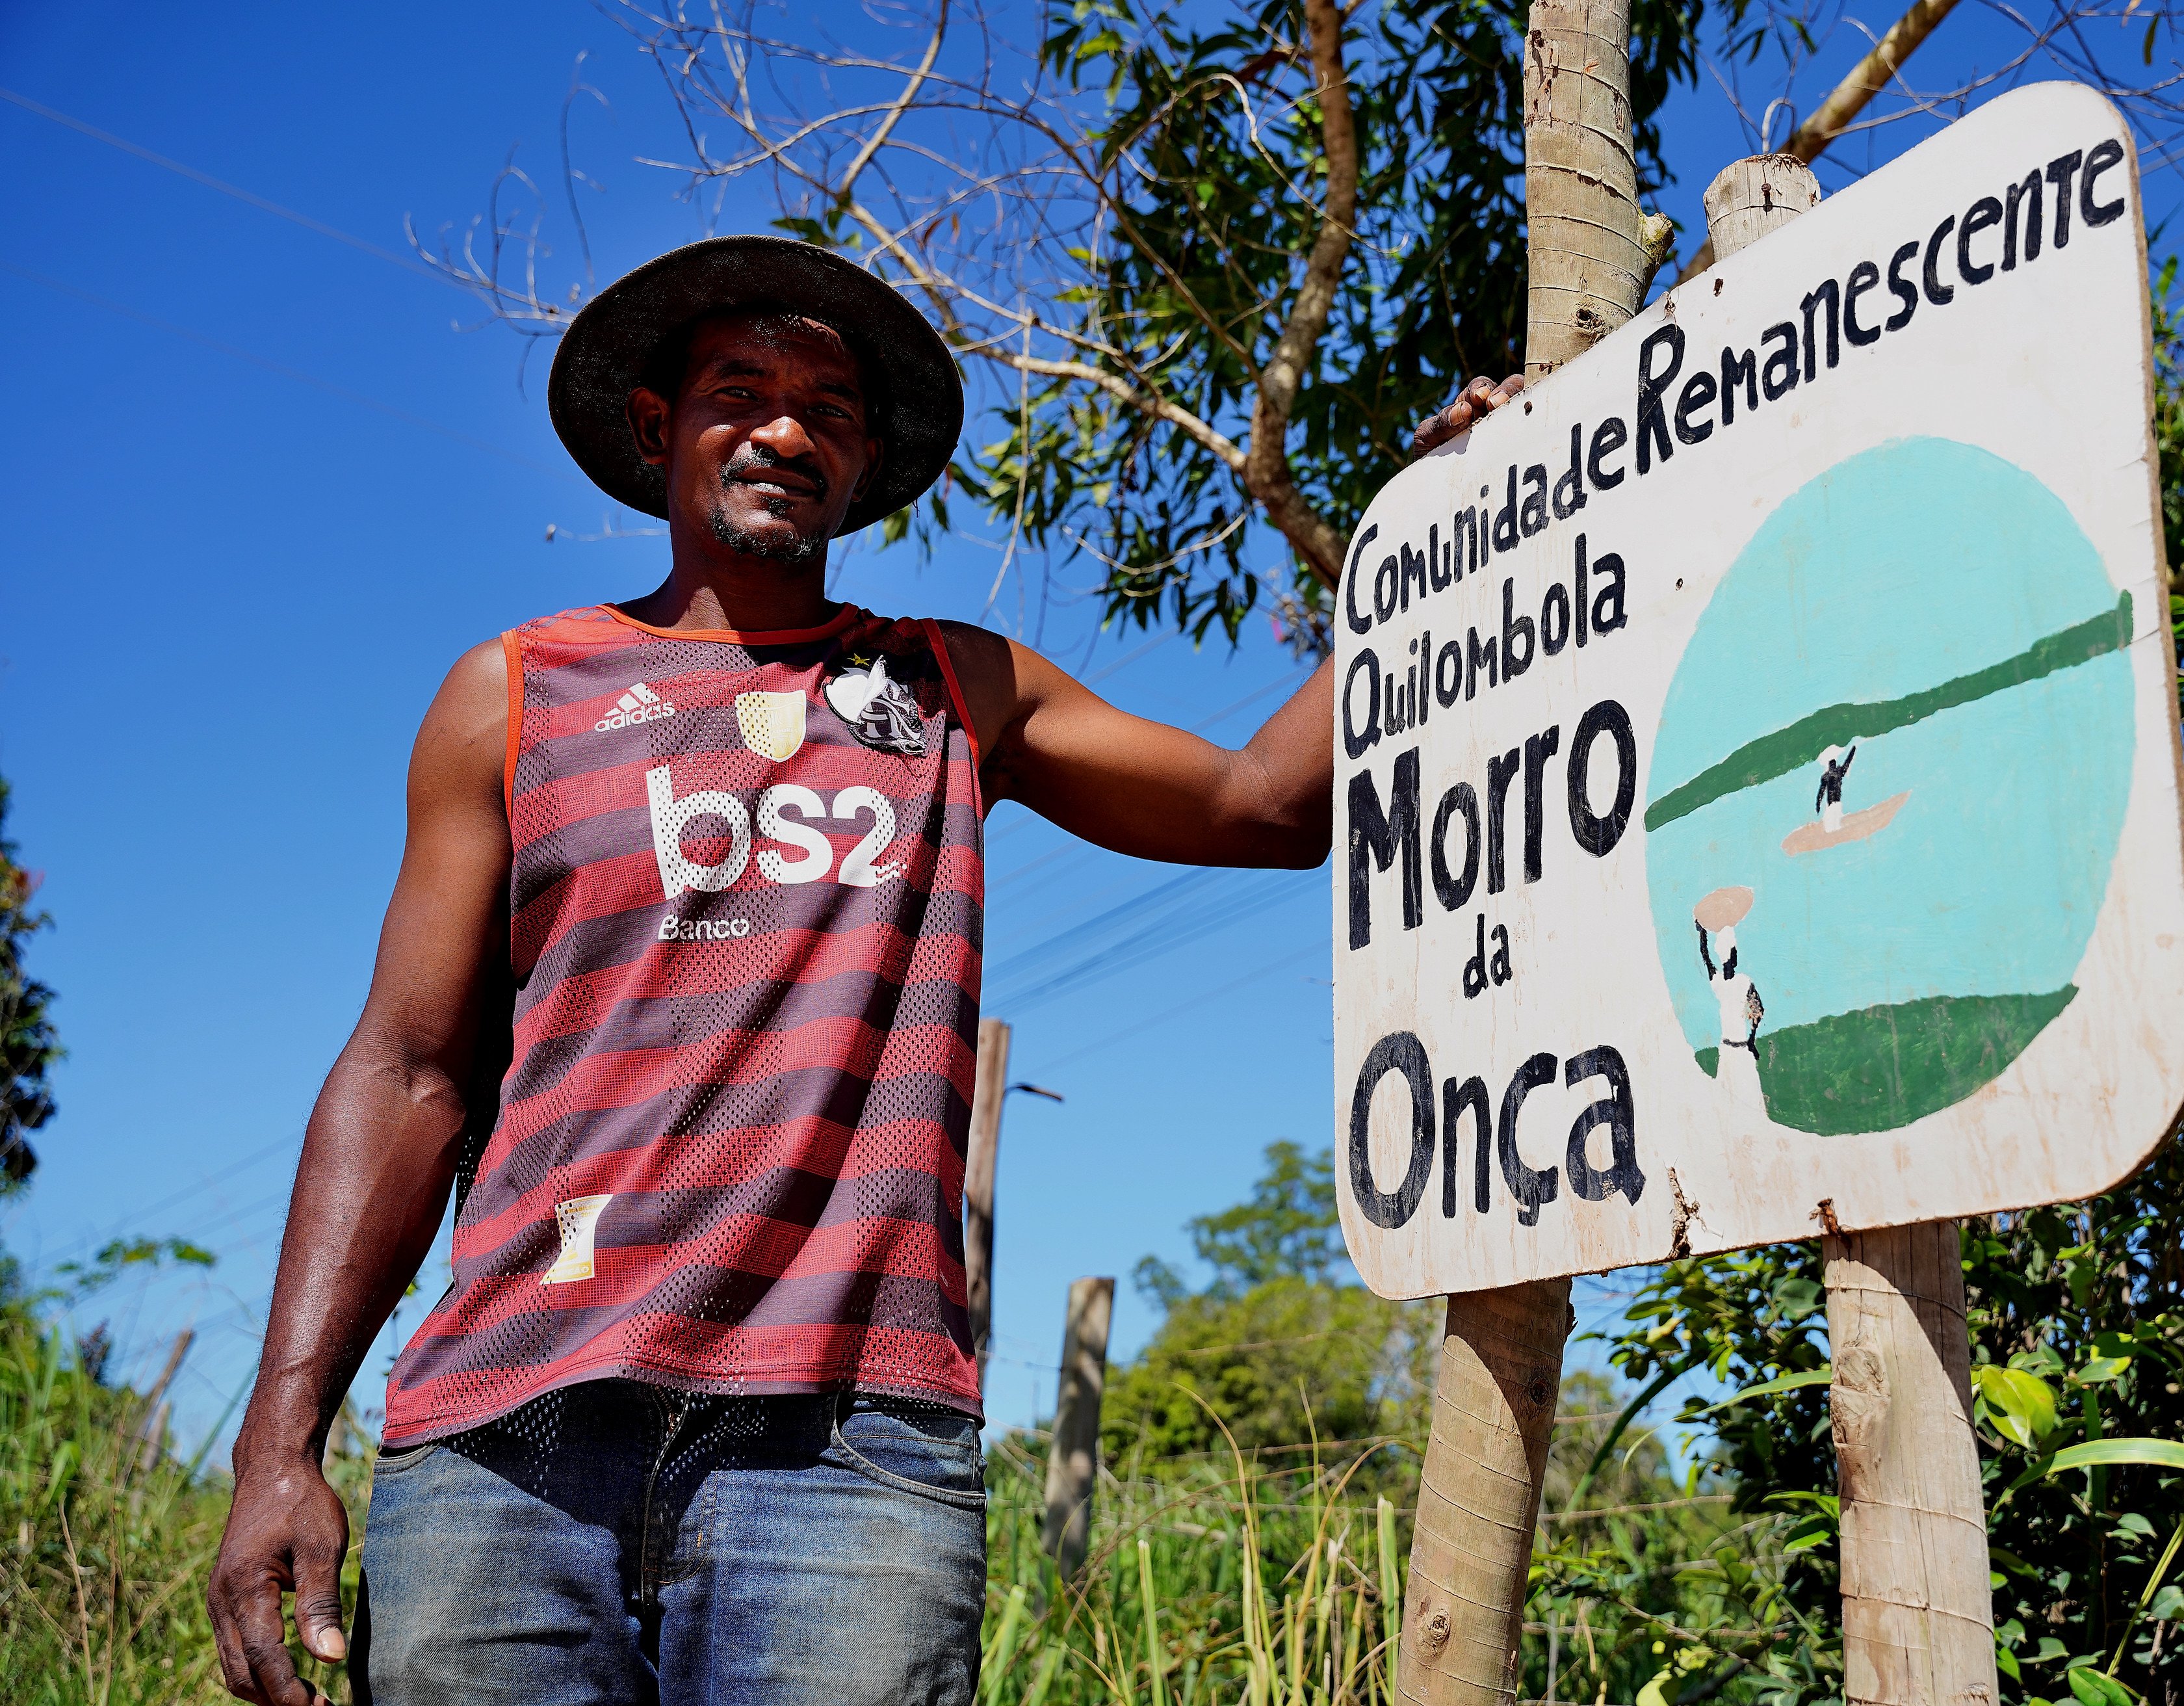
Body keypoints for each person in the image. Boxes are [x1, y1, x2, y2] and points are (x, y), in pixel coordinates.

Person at [203, 232, 1524, 1706]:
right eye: (741, 389)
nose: (785, 427)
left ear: (867, 463)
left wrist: (1439, 514)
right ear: (659, 429)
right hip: (508, 1436)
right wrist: (278, 1448)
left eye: (830, 410)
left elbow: (1265, 804)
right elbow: (409, 1072)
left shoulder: (954, 690)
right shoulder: (511, 692)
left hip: (847, 1448)